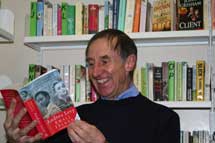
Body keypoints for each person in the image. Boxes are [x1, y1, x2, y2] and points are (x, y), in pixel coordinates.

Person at [3, 29, 180, 143]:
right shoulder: (76, 117)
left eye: (105, 61)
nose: (95, 72)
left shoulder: (163, 119)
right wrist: (15, 140)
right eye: (90, 63)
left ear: (129, 63)